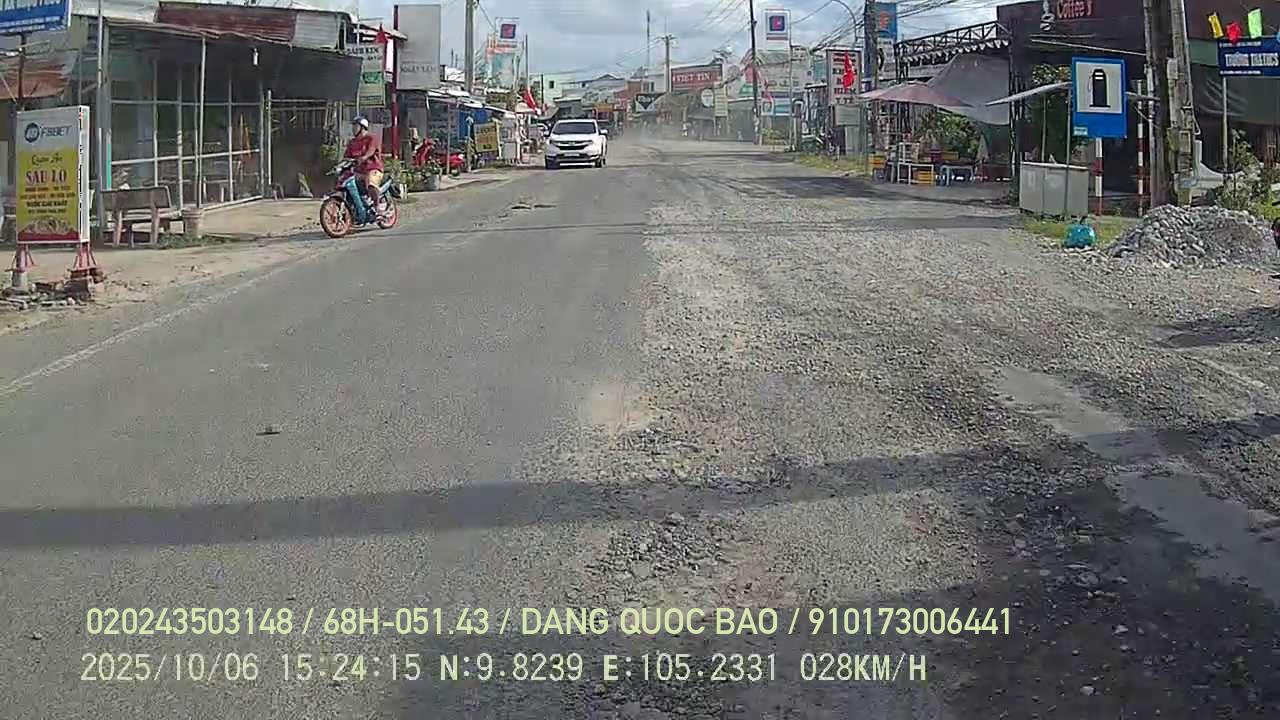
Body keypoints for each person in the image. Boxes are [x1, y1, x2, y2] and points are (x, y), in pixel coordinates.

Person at [344, 117, 385, 217]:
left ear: (362, 127)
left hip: (373, 168)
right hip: (358, 171)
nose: (353, 129)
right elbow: (346, 156)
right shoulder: (352, 142)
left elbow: (371, 150)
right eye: (353, 126)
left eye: (355, 126)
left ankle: (377, 207)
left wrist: (364, 157)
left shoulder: (372, 138)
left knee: (371, 184)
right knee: (345, 183)